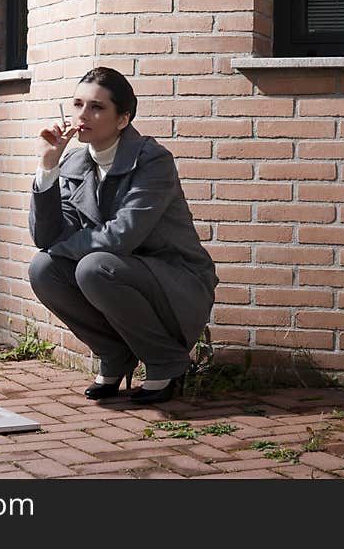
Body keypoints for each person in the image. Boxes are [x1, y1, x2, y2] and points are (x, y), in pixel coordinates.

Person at [28, 67, 218, 404]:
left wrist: (62, 247)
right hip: (117, 273)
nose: (82, 115)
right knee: (43, 268)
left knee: (93, 267)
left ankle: (166, 362)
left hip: (174, 282)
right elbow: (46, 237)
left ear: (122, 119)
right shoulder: (73, 163)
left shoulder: (152, 160)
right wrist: (48, 167)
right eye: (77, 104)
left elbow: (122, 237)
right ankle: (115, 354)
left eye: (97, 107)